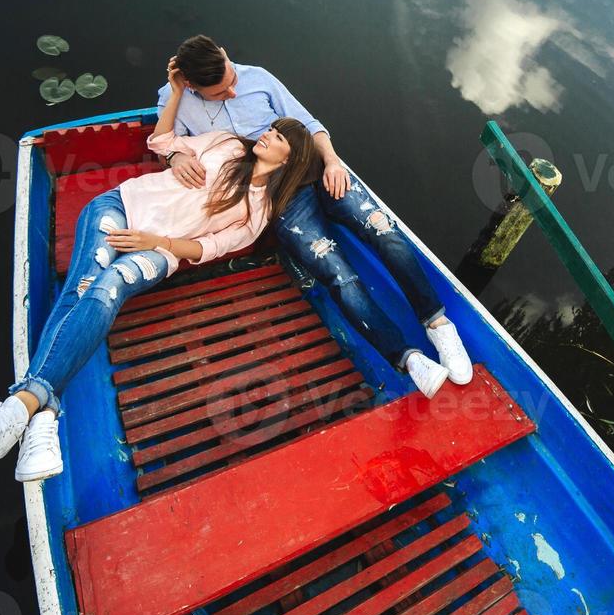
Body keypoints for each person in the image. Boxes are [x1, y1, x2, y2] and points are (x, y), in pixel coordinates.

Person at [0, 65, 316, 482]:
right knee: (85, 286)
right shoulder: (228, 144)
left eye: (279, 136)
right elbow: (162, 140)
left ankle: (28, 409)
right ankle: (40, 411)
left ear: (290, 159)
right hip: (117, 207)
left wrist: (154, 242)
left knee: (106, 289)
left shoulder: (258, 210)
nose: (267, 134)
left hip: (160, 251)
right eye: (272, 129)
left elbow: (206, 248)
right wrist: (176, 102)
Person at [156, 34, 472, 399]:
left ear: (226, 55)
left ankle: (437, 322)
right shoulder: (175, 100)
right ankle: (407, 356)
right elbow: (166, 142)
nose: (232, 92)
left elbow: (307, 122)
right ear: (192, 85)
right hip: (277, 194)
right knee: (338, 274)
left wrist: (333, 161)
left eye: (231, 81)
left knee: (383, 231)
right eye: (220, 93)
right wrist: (175, 157)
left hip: (316, 166)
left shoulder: (257, 77)